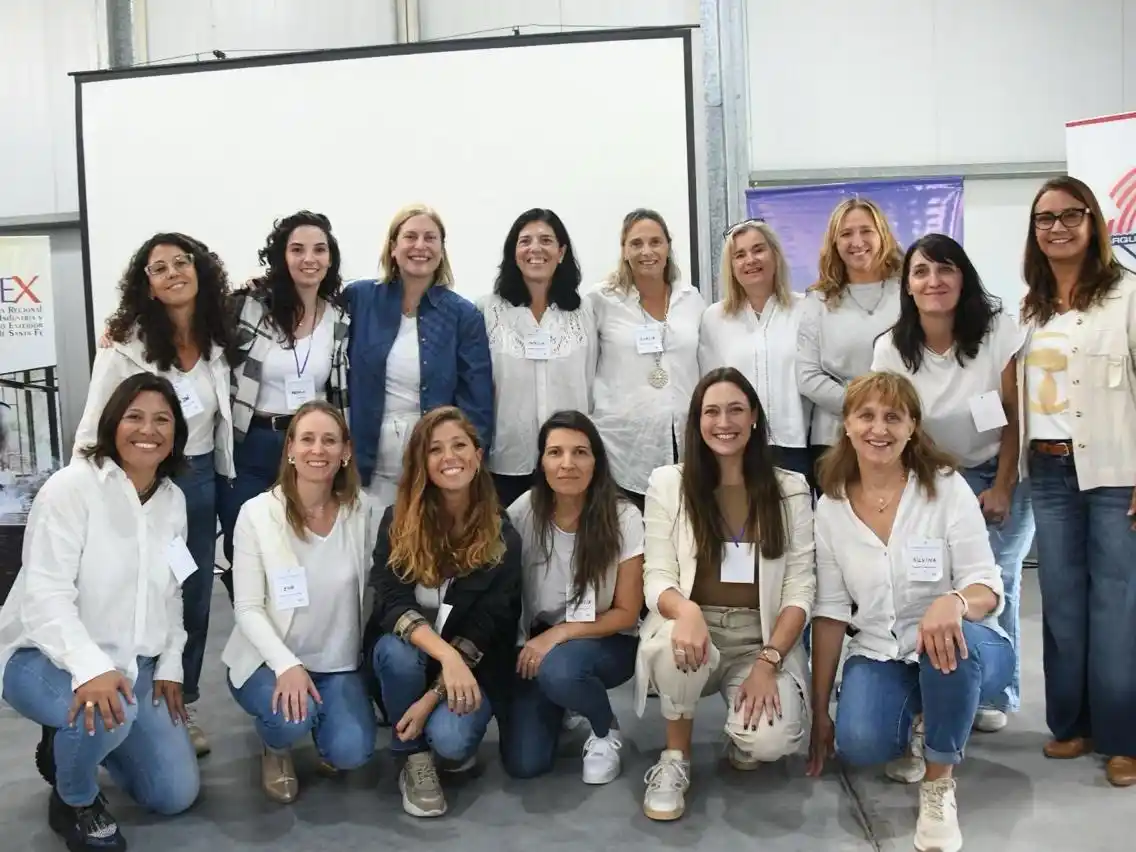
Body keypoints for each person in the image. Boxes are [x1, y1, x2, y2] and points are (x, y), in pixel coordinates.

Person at [807, 372, 1014, 852]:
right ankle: (924, 720)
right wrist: (820, 710)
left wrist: (955, 601)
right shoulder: (832, 507)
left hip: (967, 642)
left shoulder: (946, 488)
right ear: (847, 426)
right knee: (861, 744)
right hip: (882, 647)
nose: (879, 429)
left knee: (948, 644)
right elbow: (832, 611)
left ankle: (939, 781)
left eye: (893, 417)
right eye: (867, 416)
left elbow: (987, 584)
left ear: (913, 428)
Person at [0, 373, 200, 852]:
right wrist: (90, 670)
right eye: (134, 416)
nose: (146, 430)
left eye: (161, 420)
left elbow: (173, 591)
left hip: (136, 667)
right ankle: (75, 798)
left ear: (175, 433)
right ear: (112, 422)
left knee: (174, 794)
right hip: (45, 658)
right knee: (112, 711)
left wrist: (171, 661)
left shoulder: (173, 501)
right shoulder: (70, 488)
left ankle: (75, 744)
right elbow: (45, 597)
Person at [75, 232, 235, 756]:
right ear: (146, 283)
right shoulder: (126, 345)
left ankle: (179, 702)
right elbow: (94, 423)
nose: (171, 273)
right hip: (144, 485)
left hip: (203, 485)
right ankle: (112, 691)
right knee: (131, 590)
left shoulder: (221, 332)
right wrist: (84, 495)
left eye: (181, 262)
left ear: (199, 269)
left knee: (191, 600)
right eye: (158, 267)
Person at [636, 367, 815, 822]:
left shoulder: (790, 489)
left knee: (771, 742)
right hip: (696, 627)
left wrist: (768, 660)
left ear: (754, 417)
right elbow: (656, 576)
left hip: (758, 638)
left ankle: (743, 730)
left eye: (736, 409)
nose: (724, 422)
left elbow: (799, 591)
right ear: (697, 420)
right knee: (673, 640)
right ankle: (675, 759)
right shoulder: (668, 483)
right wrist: (687, 609)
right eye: (711, 411)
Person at [871, 233, 1033, 733]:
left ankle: (993, 691)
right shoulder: (892, 348)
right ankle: (941, 682)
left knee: (993, 582)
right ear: (908, 285)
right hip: (930, 477)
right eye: (921, 272)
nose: (934, 281)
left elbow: (1014, 418)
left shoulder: (996, 333)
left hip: (996, 469)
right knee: (938, 582)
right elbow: (891, 423)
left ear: (963, 278)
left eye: (945, 270)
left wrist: (1003, 485)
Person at [1018, 176, 1136, 787]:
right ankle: (1073, 725)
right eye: (1044, 218)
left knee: (1114, 604)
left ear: (1095, 223)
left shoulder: (1126, 298)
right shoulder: (1030, 306)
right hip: (1048, 468)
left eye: (1070, 215)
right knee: (1062, 601)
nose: (1057, 227)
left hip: (1115, 471)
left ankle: (1123, 738)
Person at [364, 406, 521, 818]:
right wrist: (445, 655)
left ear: (478, 455)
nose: (450, 457)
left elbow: (488, 628)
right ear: (422, 462)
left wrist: (434, 694)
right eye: (435, 449)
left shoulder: (503, 536)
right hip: (415, 656)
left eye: (459, 445)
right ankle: (412, 756)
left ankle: (431, 733)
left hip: (470, 667)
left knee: (451, 742)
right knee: (397, 654)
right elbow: (389, 600)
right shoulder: (396, 521)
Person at [222, 400, 377, 803]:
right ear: (289, 449)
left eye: (330, 441)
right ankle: (275, 747)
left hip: (337, 663)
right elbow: (248, 608)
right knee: (291, 719)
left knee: (352, 752)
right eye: (307, 439)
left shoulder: (366, 512)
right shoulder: (256, 514)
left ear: (345, 452)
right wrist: (286, 665)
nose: (317, 450)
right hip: (268, 662)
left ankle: (327, 731)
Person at [499, 410, 643, 782]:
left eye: (580, 452)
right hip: (537, 646)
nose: (567, 464)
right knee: (524, 763)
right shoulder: (522, 512)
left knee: (561, 669)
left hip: (606, 640)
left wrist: (558, 635)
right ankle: (566, 701)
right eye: (555, 453)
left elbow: (627, 613)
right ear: (542, 462)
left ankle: (603, 728)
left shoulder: (623, 517)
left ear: (596, 461)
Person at [218, 211, 351, 589]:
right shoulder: (248, 308)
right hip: (253, 445)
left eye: (319, 250)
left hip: (312, 449)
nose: (309, 258)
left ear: (330, 258)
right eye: (297, 249)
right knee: (244, 547)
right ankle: (258, 638)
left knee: (302, 548)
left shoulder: (339, 318)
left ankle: (299, 638)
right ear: (282, 257)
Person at [345, 204, 494, 511]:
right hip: (365, 461)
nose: (420, 246)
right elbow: (308, 302)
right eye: (410, 236)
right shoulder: (359, 298)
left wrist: (468, 467)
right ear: (393, 247)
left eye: (430, 238)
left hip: (432, 462)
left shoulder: (463, 315)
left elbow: (476, 401)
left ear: (442, 249)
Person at [588, 208, 706, 511]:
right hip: (622, 448)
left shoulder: (690, 299)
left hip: (684, 443)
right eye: (636, 243)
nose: (647, 251)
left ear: (668, 246)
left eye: (655, 242)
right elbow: (585, 370)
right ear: (624, 250)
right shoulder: (601, 300)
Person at [480, 209, 597, 509]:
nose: (535, 249)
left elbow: (590, 381)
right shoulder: (487, 311)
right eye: (525, 241)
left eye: (546, 240)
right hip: (507, 462)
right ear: (513, 253)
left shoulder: (584, 312)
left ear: (561, 252)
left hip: (570, 462)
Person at [798, 198, 903, 476]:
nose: (857, 241)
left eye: (866, 231)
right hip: (834, 440)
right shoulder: (817, 301)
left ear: (882, 235)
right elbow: (807, 376)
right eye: (845, 234)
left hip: (899, 435)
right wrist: (865, 410)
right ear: (834, 244)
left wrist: (889, 414)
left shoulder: (908, 292)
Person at [699, 219, 812, 479]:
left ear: (775, 254)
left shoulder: (806, 310)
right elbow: (710, 387)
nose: (750, 260)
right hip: (736, 444)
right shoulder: (714, 318)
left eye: (758, 249)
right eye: (740, 255)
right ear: (731, 266)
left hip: (794, 445)